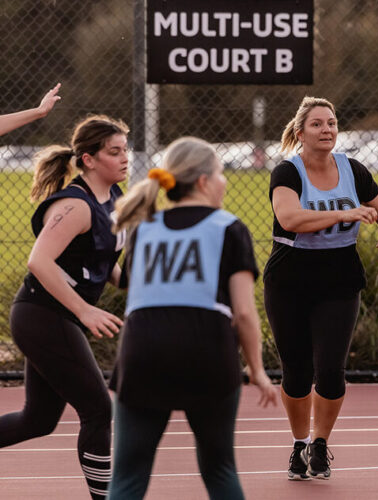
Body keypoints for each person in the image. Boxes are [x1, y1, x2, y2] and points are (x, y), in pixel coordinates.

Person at [107, 137, 280, 498]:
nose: (225, 181)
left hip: (143, 351)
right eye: (220, 173)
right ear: (203, 181)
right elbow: (245, 313)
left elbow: (136, 292)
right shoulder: (228, 227)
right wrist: (257, 370)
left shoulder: (143, 230)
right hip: (206, 350)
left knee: (127, 476)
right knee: (219, 470)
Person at [264, 96, 378, 480]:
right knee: (296, 370)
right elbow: (289, 218)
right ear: (300, 132)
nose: (327, 130)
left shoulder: (353, 170)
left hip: (339, 279)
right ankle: (298, 444)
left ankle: (320, 444)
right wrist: (343, 213)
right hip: (290, 279)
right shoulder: (287, 172)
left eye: (332, 123)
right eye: (317, 124)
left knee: (329, 371)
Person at [1, 106, 129, 500]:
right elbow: (38, 261)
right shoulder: (74, 206)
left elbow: (100, 261)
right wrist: (85, 310)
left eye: (126, 149)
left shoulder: (114, 198)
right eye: (114, 151)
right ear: (88, 159)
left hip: (58, 318)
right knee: (98, 409)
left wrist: (140, 288)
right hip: (42, 315)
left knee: (38, 420)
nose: (125, 157)